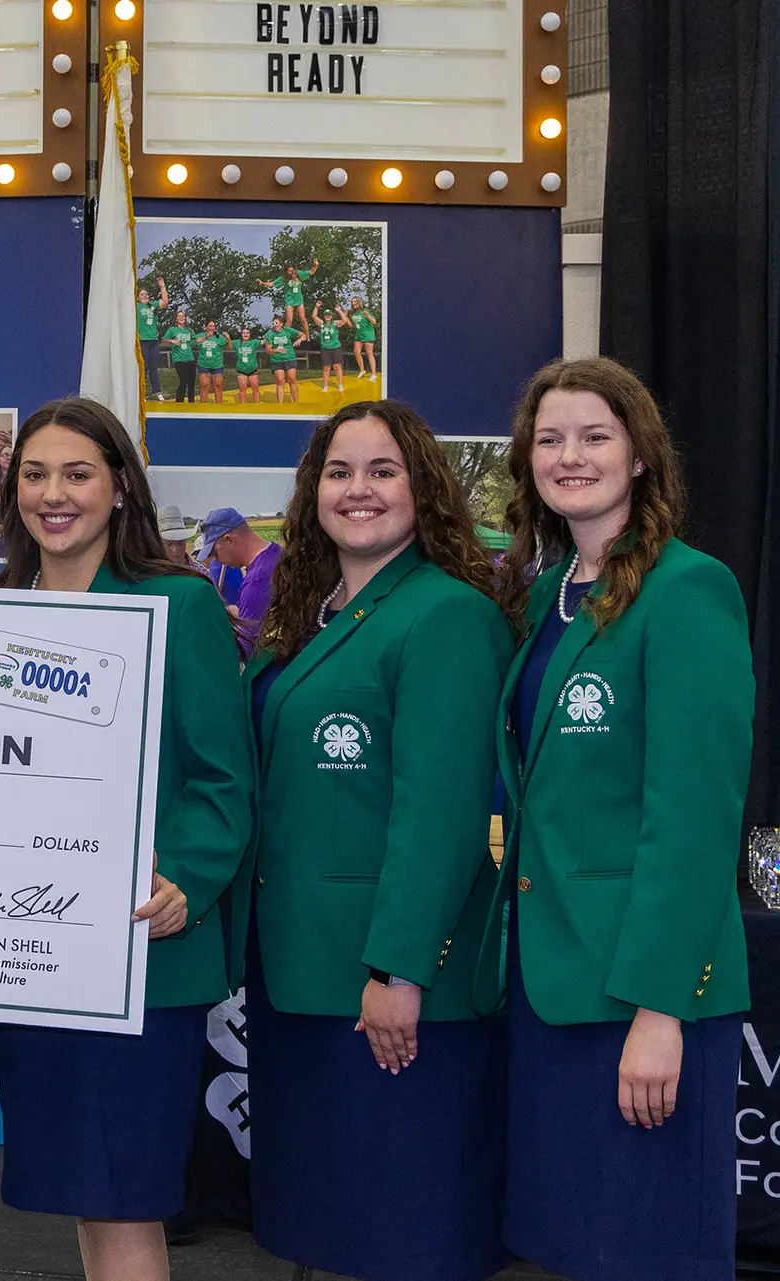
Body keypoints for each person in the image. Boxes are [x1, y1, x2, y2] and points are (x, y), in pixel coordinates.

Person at [479, 357, 753, 1281]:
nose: (570, 455)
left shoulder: (688, 590)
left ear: (639, 454)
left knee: (648, 1251)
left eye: (595, 435)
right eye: (550, 439)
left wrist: (660, 1010)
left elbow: (693, 822)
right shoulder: (547, 595)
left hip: (640, 993)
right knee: (573, 1246)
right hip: (551, 984)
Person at [236, 401, 516, 1280]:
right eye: (340, 472)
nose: (359, 490)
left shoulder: (447, 616)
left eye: (383, 470)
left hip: (389, 990)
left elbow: (441, 814)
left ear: (422, 488)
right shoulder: (309, 619)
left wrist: (399, 969)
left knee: (408, 1233)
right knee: (333, 1232)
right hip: (300, 978)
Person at [0, 397, 254, 1281]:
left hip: (145, 949)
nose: (52, 494)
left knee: (125, 1194)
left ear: (119, 488)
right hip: (30, 951)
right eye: (35, 474)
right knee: (85, 1191)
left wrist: (183, 876)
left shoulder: (176, 603)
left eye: (76, 473)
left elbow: (223, 779)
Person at [197, 508, 281, 656]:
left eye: (215, 553)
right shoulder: (277, 553)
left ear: (229, 540)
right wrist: (238, 613)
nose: (217, 560)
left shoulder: (257, 581)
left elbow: (248, 651)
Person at [257, 257, 320, 340]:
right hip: (289, 300)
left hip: (299, 300)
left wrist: (315, 265)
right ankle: (282, 336)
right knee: (289, 320)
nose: (291, 272)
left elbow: (311, 272)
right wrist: (262, 283)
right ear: (286, 271)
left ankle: (308, 337)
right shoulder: (283, 278)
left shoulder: (299, 274)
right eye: (289, 271)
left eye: (292, 270)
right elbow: (272, 284)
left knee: (303, 319)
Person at [262, 314, 303, 404]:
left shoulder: (287, 330)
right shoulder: (269, 334)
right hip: (277, 360)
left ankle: (296, 403)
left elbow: (302, 335)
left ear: (281, 324)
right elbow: (268, 350)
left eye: (277, 323)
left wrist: (299, 340)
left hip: (289, 358)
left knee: (292, 379)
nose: (275, 325)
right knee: (280, 381)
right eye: (273, 323)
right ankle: (280, 404)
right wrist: (276, 350)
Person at [138, 279, 168, 400]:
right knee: (143, 367)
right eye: (142, 294)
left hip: (153, 341)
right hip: (142, 341)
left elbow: (165, 302)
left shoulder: (152, 306)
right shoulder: (136, 306)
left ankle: (157, 391)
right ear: (138, 297)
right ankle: (141, 393)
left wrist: (162, 287)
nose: (145, 296)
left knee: (153, 367)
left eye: (146, 294)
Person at [312, 301, 350, 394]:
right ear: (324, 316)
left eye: (329, 315)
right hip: (325, 348)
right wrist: (316, 307)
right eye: (326, 315)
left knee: (337, 367)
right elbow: (314, 316)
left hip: (336, 347)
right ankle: (325, 386)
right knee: (326, 368)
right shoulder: (321, 323)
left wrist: (339, 311)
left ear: (332, 316)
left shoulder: (335, 323)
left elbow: (344, 321)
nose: (327, 316)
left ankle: (340, 384)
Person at [163, 311, 198, 404]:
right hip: (179, 359)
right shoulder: (172, 330)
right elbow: (163, 340)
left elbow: (195, 341)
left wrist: (204, 338)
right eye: (179, 316)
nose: (182, 318)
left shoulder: (189, 330)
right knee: (183, 381)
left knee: (191, 382)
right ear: (176, 319)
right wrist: (172, 341)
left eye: (183, 316)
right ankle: (179, 402)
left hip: (190, 358)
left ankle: (191, 402)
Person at [194, 320, 229, 404]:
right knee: (204, 386)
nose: (212, 328)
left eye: (213, 326)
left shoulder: (219, 337)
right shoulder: (200, 335)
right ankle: (204, 407)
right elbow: (194, 343)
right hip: (204, 364)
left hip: (217, 365)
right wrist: (206, 337)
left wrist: (228, 338)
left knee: (218, 386)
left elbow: (229, 347)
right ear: (206, 327)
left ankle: (219, 406)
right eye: (210, 326)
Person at [228, 325, 264, 405]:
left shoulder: (254, 342)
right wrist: (227, 337)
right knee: (242, 389)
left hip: (253, 370)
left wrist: (270, 333)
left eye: (247, 333)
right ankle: (243, 406)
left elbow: (264, 341)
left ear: (250, 334)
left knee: (255, 389)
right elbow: (228, 345)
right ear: (241, 334)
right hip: (241, 370)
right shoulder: (237, 342)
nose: (245, 334)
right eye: (244, 333)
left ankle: (257, 406)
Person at [349, 298, 380, 381]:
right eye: (352, 302)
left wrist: (368, 316)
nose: (353, 303)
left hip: (368, 335)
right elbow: (353, 325)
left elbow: (374, 322)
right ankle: (362, 370)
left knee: (369, 353)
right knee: (356, 352)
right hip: (359, 336)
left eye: (355, 301)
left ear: (359, 302)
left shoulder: (366, 311)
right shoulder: (353, 313)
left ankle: (374, 374)